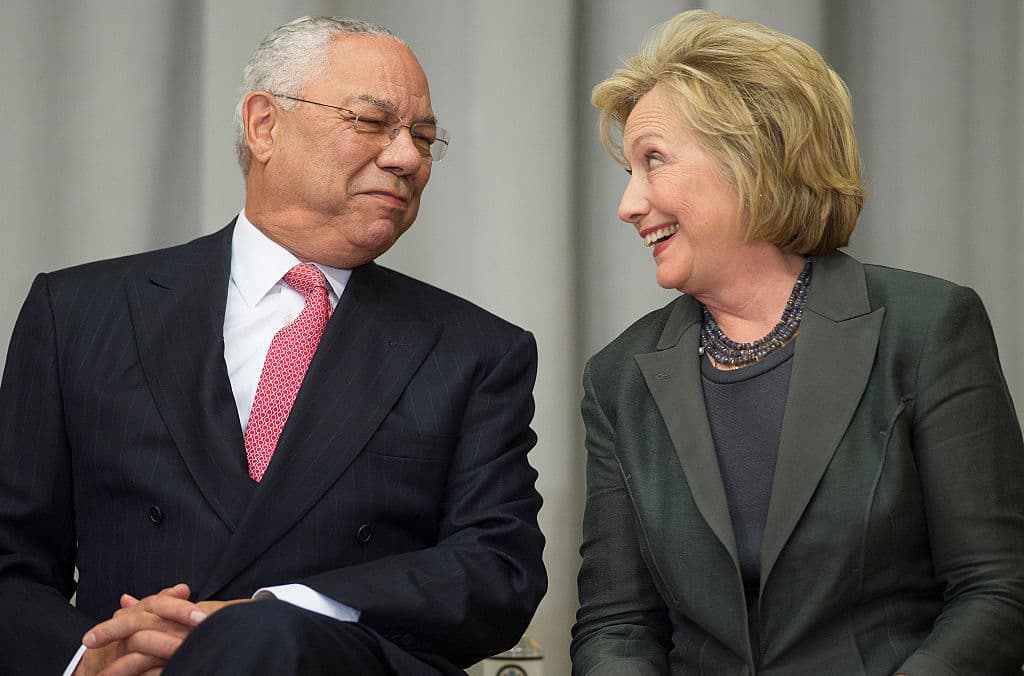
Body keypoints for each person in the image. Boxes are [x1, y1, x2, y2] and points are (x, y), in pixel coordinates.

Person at [0, 16, 546, 676]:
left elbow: (498, 570)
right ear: (264, 125)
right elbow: (11, 563)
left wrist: (276, 609)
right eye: (373, 123)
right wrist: (89, 657)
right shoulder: (79, 314)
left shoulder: (476, 351)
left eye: (424, 139)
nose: (407, 158)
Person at [571, 9, 1024, 676]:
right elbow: (617, 626)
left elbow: (998, 590)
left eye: (653, 161)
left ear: (752, 155)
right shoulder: (620, 377)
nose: (628, 204)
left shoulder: (926, 328)